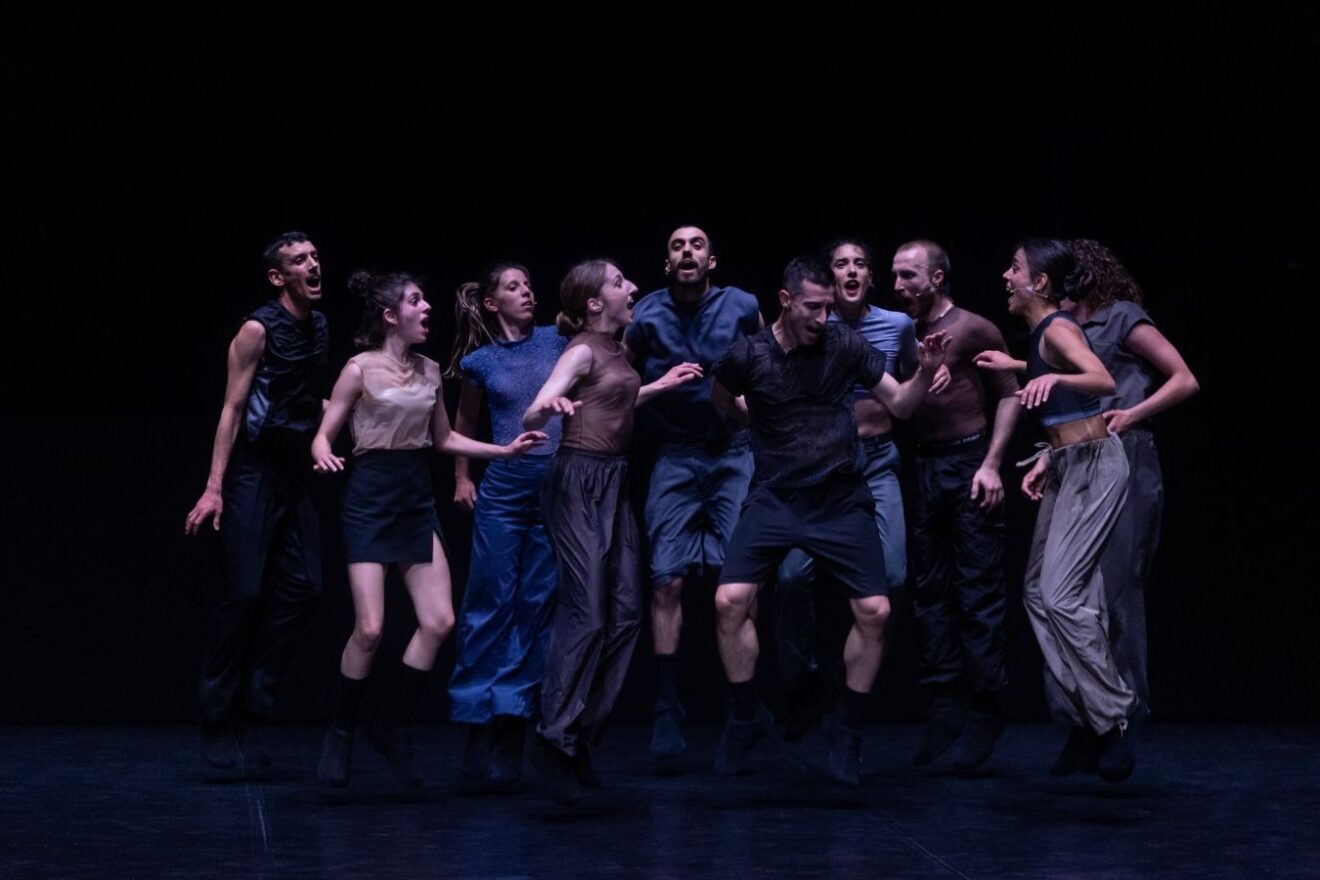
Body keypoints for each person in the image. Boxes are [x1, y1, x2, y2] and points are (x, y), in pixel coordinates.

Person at [709, 256, 948, 787]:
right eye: (813, 307)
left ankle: (848, 728)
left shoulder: (845, 344)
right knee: (728, 603)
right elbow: (721, 395)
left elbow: (902, 407)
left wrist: (926, 371)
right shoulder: (748, 353)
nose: (824, 316)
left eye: (829, 306)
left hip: (840, 497)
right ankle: (746, 715)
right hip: (774, 497)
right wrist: (753, 421)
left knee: (877, 610)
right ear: (786, 300)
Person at [311, 270, 544, 788]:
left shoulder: (432, 370)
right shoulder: (359, 369)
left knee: (439, 621)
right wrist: (324, 452)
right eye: (417, 301)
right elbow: (324, 436)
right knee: (370, 629)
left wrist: (501, 451)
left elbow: (445, 439)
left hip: (415, 496)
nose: (427, 309)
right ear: (392, 315)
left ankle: (392, 726)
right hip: (370, 494)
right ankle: (343, 732)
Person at [523, 259, 701, 805]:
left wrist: (659, 386)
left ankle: (577, 736)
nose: (633, 288)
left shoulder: (620, 352)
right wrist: (545, 408)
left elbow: (614, 397)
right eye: (620, 283)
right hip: (576, 480)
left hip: (616, 482)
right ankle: (553, 736)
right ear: (595, 303)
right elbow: (535, 411)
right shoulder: (579, 349)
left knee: (625, 614)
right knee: (587, 612)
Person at [974, 238, 1138, 782]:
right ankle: (1085, 722)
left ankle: (1112, 718)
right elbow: (1062, 388)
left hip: (1095, 464)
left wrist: (1052, 377)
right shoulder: (1043, 336)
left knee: (1063, 595)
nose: (1006, 274)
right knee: (1039, 593)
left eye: (1014, 267)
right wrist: (1049, 454)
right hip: (1069, 460)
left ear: (1038, 283)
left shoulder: (1060, 328)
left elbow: (1102, 381)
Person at [1042, 238, 1198, 773]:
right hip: (1073, 458)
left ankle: (1125, 720)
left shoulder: (1121, 318)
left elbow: (1184, 379)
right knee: (1060, 596)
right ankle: (1084, 721)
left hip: (1124, 458)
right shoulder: (1060, 332)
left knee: (1114, 590)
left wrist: (1133, 413)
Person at [184, 231, 328, 770]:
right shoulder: (256, 329)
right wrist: (215, 486)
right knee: (244, 592)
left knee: (307, 586)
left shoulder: (319, 326)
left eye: (315, 256)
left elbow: (309, 395)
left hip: (296, 473)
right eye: (300, 260)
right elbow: (233, 408)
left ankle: (253, 706)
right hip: (253, 472)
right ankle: (218, 719)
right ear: (278, 276)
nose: (313, 265)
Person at [773, 239, 921, 738]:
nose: (852, 270)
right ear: (830, 279)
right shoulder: (814, 326)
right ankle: (803, 680)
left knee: (895, 578)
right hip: (822, 471)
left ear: (871, 277)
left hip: (877, 463)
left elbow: (907, 390)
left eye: (861, 263)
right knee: (792, 579)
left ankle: (854, 683)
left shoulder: (898, 327)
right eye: (841, 263)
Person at [624, 225, 761, 760]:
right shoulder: (645, 316)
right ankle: (666, 709)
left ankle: (740, 710)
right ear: (666, 263)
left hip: (735, 449)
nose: (686, 251)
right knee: (666, 582)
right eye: (677, 246)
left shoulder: (742, 305)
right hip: (676, 452)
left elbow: (765, 364)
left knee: (742, 586)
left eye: (696, 245)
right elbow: (620, 383)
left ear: (712, 261)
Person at [890, 239, 1020, 770]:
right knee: (929, 591)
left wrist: (991, 464)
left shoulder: (973, 327)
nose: (898, 287)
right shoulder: (901, 333)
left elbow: (1009, 393)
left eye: (908, 277)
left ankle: (986, 711)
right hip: (923, 464)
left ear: (937, 278)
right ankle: (945, 706)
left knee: (977, 590)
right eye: (895, 277)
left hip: (968, 462)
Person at [446, 263, 566, 784]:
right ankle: (476, 719)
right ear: (492, 303)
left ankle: (511, 722)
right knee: (489, 601)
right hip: (504, 491)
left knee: (535, 606)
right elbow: (464, 422)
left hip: (556, 493)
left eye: (529, 285)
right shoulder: (480, 362)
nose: (527, 293)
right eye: (514, 287)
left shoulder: (559, 339)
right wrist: (462, 477)